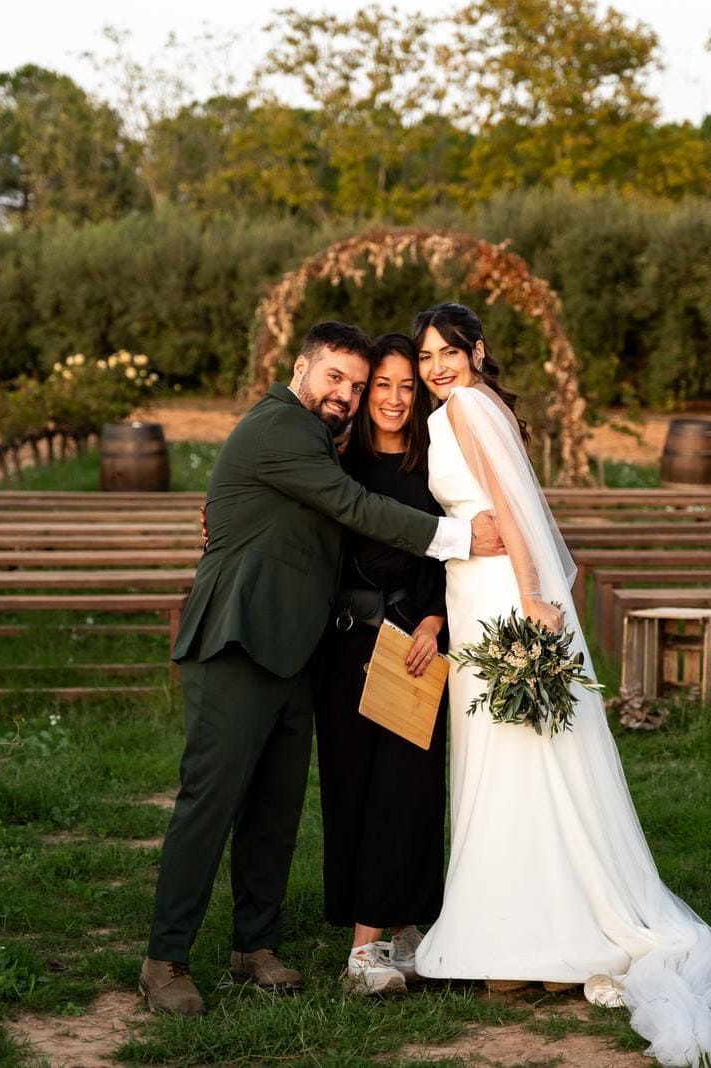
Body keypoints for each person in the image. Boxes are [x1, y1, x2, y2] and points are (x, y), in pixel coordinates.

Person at [408, 303, 711, 1067]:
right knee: (521, 757)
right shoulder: (483, 405)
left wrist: (534, 597)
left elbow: (510, 506)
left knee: (510, 758)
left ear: (477, 351)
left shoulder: (464, 407)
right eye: (426, 357)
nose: (436, 368)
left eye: (448, 353)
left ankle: (519, 939)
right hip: (480, 588)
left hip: (498, 593)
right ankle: (526, 929)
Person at [139, 321, 505, 1017]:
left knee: (275, 810)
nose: (348, 394)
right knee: (210, 804)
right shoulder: (281, 426)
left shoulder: (321, 440)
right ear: (301, 368)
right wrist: (458, 536)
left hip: (294, 652)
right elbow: (353, 506)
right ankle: (165, 960)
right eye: (336, 377)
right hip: (236, 641)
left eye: (357, 386)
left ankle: (255, 945)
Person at [313, 333, 448, 997]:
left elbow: (455, 552)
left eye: (406, 386)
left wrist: (436, 620)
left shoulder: (437, 462)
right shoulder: (339, 460)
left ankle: (409, 927)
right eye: (382, 385)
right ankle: (363, 952)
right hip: (348, 647)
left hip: (416, 645)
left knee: (414, 790)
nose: (394, 398)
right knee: (357, 789)